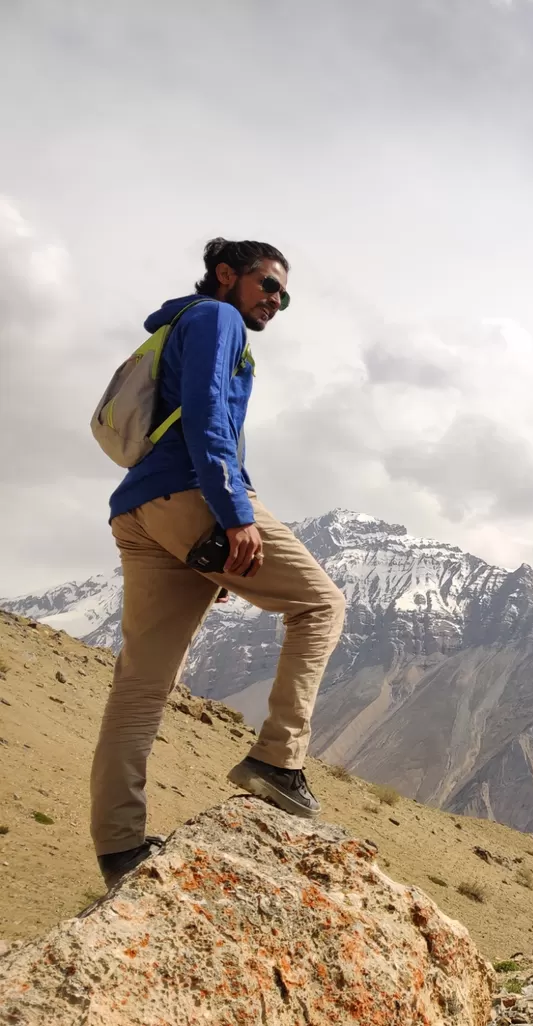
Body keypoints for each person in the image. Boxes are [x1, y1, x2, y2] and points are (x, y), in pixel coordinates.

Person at [91, 238, 347, 889]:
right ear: (227, 275)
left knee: (141, 685)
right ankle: (277, 761)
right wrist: (232, 515)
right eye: (267, 284)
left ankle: (120, 847)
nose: (275, 300)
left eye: (283, 294)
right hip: (192, 493)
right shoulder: (216, 318)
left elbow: (210, 426)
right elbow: (207, 419)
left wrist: (208, 554)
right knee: (322, 604)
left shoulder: (185, 323)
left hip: (144, 509)